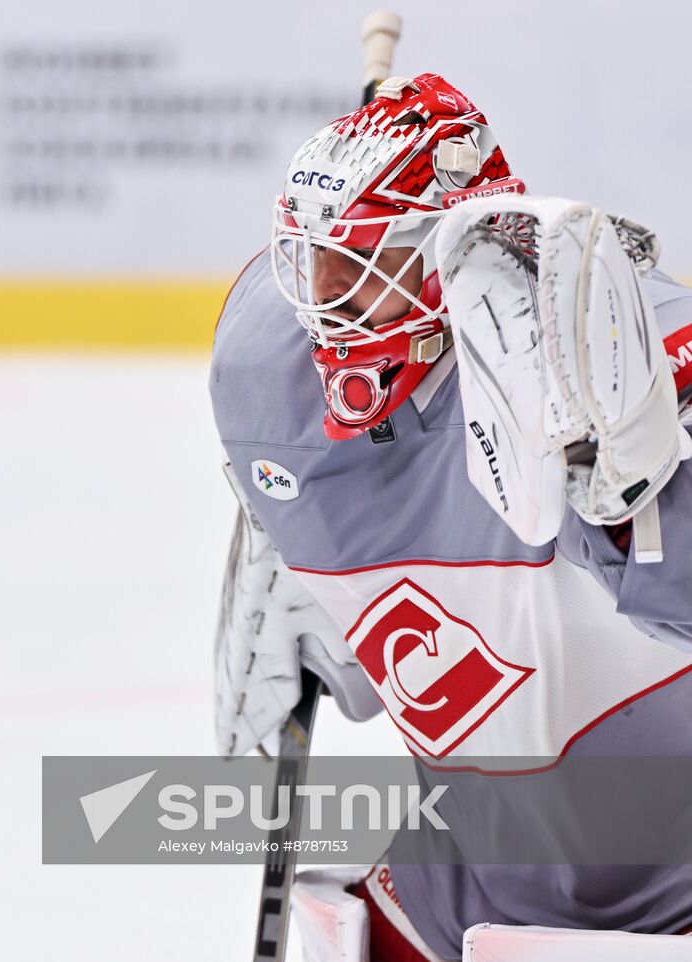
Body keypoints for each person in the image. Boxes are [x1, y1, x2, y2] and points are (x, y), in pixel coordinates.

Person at [210, 73, 692, 961]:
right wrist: (295, 539)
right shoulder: (265, 369)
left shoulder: (625, 348)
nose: (323, 299)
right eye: (311, 257)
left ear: (442, 255)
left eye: (358, 263)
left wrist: (633, 491)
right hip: (456, 886)